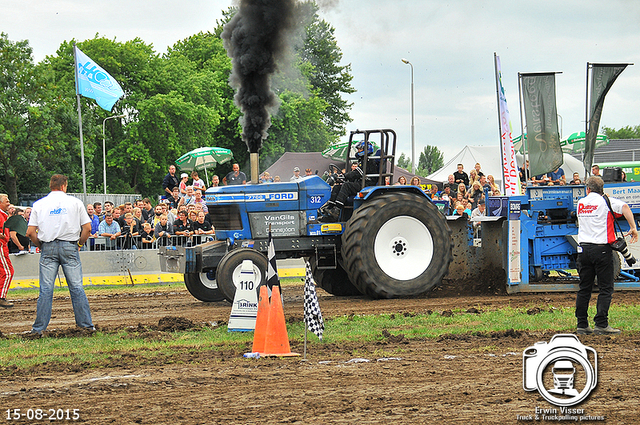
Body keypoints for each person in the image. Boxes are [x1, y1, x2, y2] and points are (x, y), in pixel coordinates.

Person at [25, 174, 94, 336]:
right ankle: (85, 326)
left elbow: (30, 232)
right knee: (76, 287)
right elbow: (87, 229)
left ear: (51, 186)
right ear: (64, 186)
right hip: (70, 246)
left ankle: (38, 329)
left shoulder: (39, 204)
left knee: (46, 290)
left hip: (48, 246)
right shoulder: (75, 203)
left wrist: (41, 245)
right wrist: (79, 244)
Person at [575, 176, 638, 335]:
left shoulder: (580, 203)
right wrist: (633, 227)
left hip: (583, 250)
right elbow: (625, 208)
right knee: (605, 288)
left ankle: (582, 324)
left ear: (587, 189)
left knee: (584, 289)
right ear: (602, 189)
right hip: (601, 249)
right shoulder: (606, 201)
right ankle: (601, 324)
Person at [321, 141, 379, 222]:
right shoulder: (362, 161)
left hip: (367, 184)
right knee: (337, 187)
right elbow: (355, 175)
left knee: (347, 185)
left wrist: (344, 176)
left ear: (366, 150)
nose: (358, 151)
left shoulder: (368, 161)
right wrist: (341, 178)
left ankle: (337, 210)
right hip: (360, 182)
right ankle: (330, 209)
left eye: (360, 149)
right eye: (358, 149)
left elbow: (357, 173)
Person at [0, 194, 15, 308]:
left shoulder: (4, 215)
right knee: (8, 272)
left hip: (4, 246)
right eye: (6, 201)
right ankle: (1, 297)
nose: (9, 203)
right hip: (1, 246)